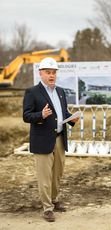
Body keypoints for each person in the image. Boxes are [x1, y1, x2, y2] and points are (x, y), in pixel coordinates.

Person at [23, 57, 79, 222]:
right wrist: (40, 115)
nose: (51, 75)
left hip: (60, 139)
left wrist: (72, 118)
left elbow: (63, 113)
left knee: (57, 174)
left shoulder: (61, 91)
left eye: (54, 72)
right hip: (42, 141)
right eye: (48, 72)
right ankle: (47, 208)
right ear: (40, 73)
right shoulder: (32, 92)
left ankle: (54, 200)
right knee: (44, 177)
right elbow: (26, 116)